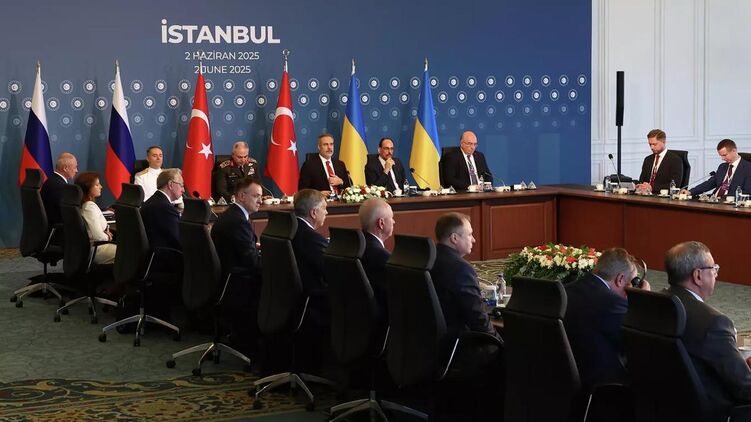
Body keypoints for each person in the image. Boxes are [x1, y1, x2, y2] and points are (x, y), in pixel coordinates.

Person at [664, 241, 751, 418]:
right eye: (713, 268)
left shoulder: (653, 303)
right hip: (712, 411)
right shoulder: (714, 323)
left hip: (662, 405)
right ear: (698, 276)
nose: (716, 274)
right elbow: (745, 388)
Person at [564, 248, 651, 390]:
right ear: (620, 279)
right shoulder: (612, 303)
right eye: (632, 282)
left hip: (564, 377)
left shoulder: (566, 290)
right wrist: (643, 301)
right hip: (604, 386)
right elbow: (640, 343)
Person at [210, 176, 264, 357]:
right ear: (241, 196)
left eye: (261, 196)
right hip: (235, 283)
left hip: (223, 277)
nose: (260, 200)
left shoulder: (231, 215)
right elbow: (252, 262)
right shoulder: (238, 221)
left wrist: (254, 247)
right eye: (256, 196)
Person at [431, 212, 500, 340]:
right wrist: (500, 342)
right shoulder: (461, 268)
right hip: (459, 342)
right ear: (454, 238)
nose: (473, 239)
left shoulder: (429, 259)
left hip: (427, 339)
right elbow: (478, 319)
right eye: (469, 234)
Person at [291, 188, 331, 373]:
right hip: (310, 303)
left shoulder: (287, 228)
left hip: (286, 301)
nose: (327, 212)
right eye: (324, 208)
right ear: (313, 212)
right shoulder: (311, 238)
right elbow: (330, 271)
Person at [358, 198, 395, 319]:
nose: (394, 221)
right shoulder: (383, 257)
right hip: (378, 322)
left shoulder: (354, 246)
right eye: (391, 218)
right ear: (381, 223)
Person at [74, 172, 116, 265]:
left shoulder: (82, 204)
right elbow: (99, 237)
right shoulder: (89, 207)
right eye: (97, 185)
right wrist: (108, 236)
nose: (101, 187)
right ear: (88, 188)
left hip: (86, 248)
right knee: (130, 253)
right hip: (95, 249)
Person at [686, 139, 751, 197]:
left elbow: (748, 192)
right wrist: (690, 192)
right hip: (714, 200)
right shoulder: (722, 166)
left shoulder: (748, 168)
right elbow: (710, 183)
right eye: (721, 156)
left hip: (730, 203)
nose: (722, 158)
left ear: (734, 150)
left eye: (724, 155)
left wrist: (725, 198)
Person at [141, 168, 183, 252]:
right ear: (170, 185)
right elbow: (179, 241)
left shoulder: (153, 201)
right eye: (181, 185)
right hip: (165, 256)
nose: (183, 190)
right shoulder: (165, 208)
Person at [634, 129, 684, 193]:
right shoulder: (648, 159)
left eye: (654, 144)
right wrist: (639, 185)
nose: (651, 147)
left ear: (663, 142)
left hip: (663, 196)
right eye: (650, 144)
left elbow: (675, 185)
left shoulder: (675, 160)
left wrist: (652, 188)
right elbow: (642, 180)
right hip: (646, 195)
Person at [41, 152, 78, 226]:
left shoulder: (51, 180)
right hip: (58, 229)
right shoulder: (61, 187)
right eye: (75, 167)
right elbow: (65, 214)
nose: (76, 170)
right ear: (65, 168)